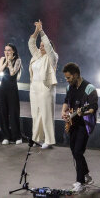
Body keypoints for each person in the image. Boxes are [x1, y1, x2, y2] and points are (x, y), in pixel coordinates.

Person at [61, 62, 98, 193]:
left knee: (78, 151)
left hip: (84, 124)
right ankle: (86, 174)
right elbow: (66, 101)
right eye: (66, 78)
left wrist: (84, 112)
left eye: (69, 78)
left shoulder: (89, 88)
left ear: (76, 75)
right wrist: (63, 112)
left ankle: (80, 182)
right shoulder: (69, 87)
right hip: (72, 123)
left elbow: (93, 108)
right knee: (74, 151)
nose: (67, 80)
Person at [28, 20, 58, 149]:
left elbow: (48, 46)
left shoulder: (52, 57)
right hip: (34, 87)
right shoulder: (37, 55)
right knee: (35, 114)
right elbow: (31, 43)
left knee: (46, 114)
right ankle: (36, 138)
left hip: (46, 88)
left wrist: (41, 31)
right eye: (40, 46)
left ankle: (49, 140)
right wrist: (36, 30)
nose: (41, 47)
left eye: (43, 45)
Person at [0, 43, 23, 145]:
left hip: (12, 88)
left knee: (13, 112)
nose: (7, 52)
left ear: (13, 51)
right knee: (3, 112)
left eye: (9, 50)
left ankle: (17, 136)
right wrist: (6, 61)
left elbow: (12, 73)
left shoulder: (18, 60)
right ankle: (6, 136)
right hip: (3, 88)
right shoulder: (2, 59)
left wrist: (10, 62)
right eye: (5, 50)